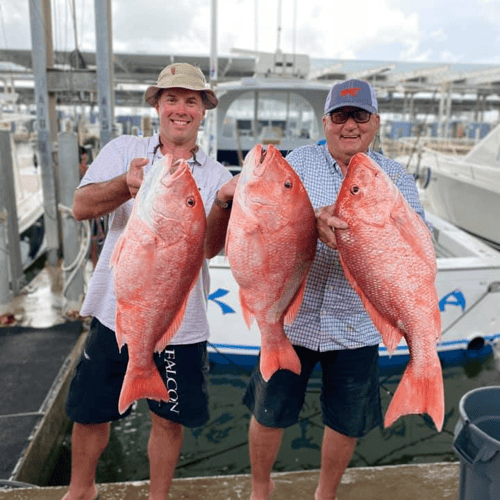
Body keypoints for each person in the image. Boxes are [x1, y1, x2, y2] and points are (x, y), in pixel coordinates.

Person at [239, 79, 430, 500]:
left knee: (346, 420)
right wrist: (311, 221)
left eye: (359, 115)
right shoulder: (296, 164)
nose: (350, 125)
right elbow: (262, 212)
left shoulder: (395, 176)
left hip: (357, 326)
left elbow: (420, 240)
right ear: (325, 122)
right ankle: (259, 490)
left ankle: (325, 493)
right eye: (340, 116)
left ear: (376, 121)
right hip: (293, 319)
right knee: (268, 412)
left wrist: (368, 234)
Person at [63, 62, 235, 500]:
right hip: (115, 310)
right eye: (172, 98)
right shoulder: (125, 151)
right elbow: (81, 206)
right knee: (89, 412)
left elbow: (211, 248)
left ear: (203, 110)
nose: (181, 109)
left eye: (191, 101)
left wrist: (219, 206)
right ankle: (81, 490)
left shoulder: (217, 176)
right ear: (157, 105)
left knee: (168, 418)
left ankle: (158, 497)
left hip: (182, 319)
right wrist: (126, 184)